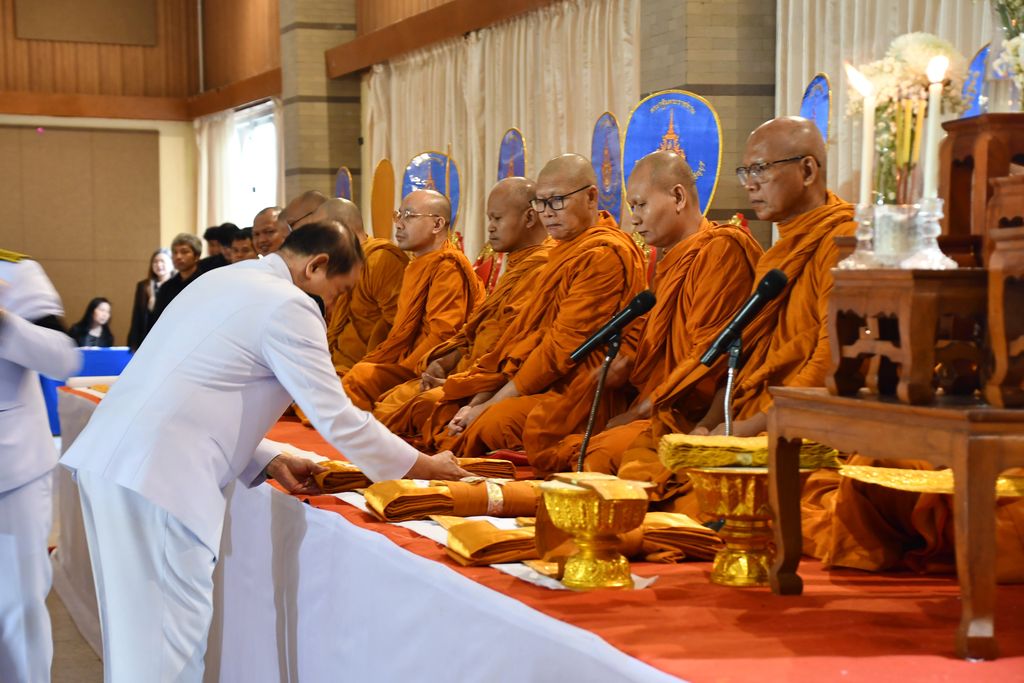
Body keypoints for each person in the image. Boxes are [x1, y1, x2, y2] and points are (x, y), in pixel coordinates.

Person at [60, 224, 468, 682]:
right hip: (160, 477)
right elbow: (337, 417)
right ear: (316, 266)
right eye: (339, 290)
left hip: (117, 462)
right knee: (168, 646)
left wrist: (266, 456)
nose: (336, 304)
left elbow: (197, 384)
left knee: (137, 640)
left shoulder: (224, 278)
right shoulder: (289, 305)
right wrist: (422, 466)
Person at [605, 116, 856, 508]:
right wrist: (711, 424)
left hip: (800, 423)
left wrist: (744, 428)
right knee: (638, 464)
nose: (749, 184)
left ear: (807, 170)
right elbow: (745, 355)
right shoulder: (778, 254)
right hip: (747, 412)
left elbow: (828, 363)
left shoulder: (845, 242)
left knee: (689, 496)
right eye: (745, 172)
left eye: (761, 170)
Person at [524, 151, 763, 477]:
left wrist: (640, 411)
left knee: (597, 455)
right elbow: (658, 337)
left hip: (693, 413)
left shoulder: (720, 252)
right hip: (659, 403)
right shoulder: (672, 260)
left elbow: (708, 358)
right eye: (632, 207)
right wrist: (627, 362)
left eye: (640, 205)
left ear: (678, 197)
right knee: (550, 436)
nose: (634, 219)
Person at [419, 153, 646, 457]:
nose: (547, 213)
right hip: (539, 379)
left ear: (591, 197)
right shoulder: (562, 252)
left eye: (557, 201)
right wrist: (480, 397)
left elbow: (559, 349)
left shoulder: (602, 255)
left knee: (489, 424)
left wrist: (489, 404)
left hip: (581, 389)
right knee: (446, 410)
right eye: (541, 203)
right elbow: (525, 340)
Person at [377, 177, 551, 432]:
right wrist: (443, 363)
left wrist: (467, 390)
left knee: (414, 403)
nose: (490, 227)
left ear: (529, 218)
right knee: (389, 400)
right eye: (489, 219)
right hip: (467, 372)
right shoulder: (517, 267)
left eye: (497, 219)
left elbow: (513, 351)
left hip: (490, 384)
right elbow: (475, 332)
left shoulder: (544, 270)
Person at [0, 248, 81, 683]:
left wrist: (4, 322)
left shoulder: (14, 271)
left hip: (10, 476)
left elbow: (62, 359)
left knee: (15, 616)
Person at [342, 189, 485, 411]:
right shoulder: (417, 265)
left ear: (437, 224)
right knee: (349, 378)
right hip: (407, 360)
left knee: (359, 381)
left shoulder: (447, 267)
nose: (399, 224)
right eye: (398, 215)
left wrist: (404, 368)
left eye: (408, 215)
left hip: (428, 366)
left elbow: (443, 334)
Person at [309, 198, 409, 375]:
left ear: (340, 230)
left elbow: (399, 328)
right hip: (333, 364)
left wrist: (364, 370)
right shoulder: (337, 266)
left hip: (366, 371)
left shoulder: (380, 260)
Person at [149, 233, 203, 328]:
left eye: (184, 252)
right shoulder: (166, 287)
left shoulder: (204, 283)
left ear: (197, 256)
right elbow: (157, 321)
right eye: (174, 252)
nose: (178, 257)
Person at [127, 248, 172, 351]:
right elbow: (137, 315)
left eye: (162, 261)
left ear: (171, 263)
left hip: (169, 336)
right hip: (147, 336)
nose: (159, 265)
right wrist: (133, 343)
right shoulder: (143, 285)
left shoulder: (177, 285)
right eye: (155, 262)